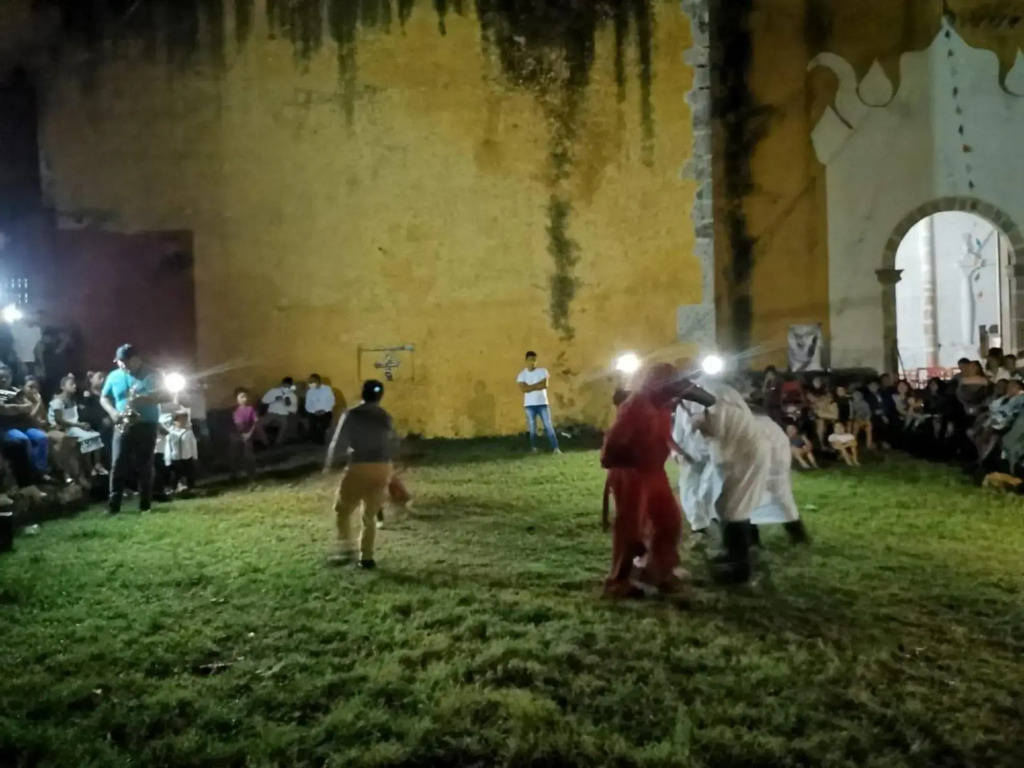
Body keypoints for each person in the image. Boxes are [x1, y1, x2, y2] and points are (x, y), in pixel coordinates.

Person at [602, 363, 688, 597]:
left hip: (653, 471)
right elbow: (614, 441)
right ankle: (618, 582)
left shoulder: (661, 406)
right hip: (632, 472)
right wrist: (621, 462)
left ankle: (657, 569)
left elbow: (662, 435)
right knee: (630, 529)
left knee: (669, 521)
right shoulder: (637, 405)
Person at [324, 379, 398, 569]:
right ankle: (367, 557)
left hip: (359, 466)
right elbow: (393, 441)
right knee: (370, 515)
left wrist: (329, 464)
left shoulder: (352, 414)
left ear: (362, 393)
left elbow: (338, 443)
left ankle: (346, 547)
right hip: (382, 467)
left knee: (342, 509)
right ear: (380, 396)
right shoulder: (385, 416)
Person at [100, 344, 167, 514]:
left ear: (136, 359)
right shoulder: (114, 376)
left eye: (126, 361)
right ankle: (113, 505)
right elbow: (104, 397)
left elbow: (164, 395)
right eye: (119, 361)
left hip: (146, 423)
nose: (122, 365)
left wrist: (144, 400)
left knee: (144, 464)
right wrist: (113, 412)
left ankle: (145, 504)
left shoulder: (152, 374)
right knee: (117, 463)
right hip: (123, 422)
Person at [48, 373, 106, 479]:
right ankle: (89, 468)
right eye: (71, 384)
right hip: (65, 427)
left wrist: (82, 424)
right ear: (63, 387)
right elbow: (59, 420)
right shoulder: (58, 401)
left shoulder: (73, 400)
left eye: (74, 384)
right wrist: (79, 425)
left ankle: (97, 464)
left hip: (74, 425)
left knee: (96, 435)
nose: (75, 386)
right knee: (87, 438)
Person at [0, 365, 49, 485]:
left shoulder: (16, 390)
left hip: (22, 426)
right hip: (5, 427)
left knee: (42, 437)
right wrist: (19, 408)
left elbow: (29, 407)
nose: (4, 380)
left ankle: (40, 471)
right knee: (23, 440)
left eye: (6, 377)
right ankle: (30, 473)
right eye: (1, 377)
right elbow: (3, 410)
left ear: (11, 377)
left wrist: (14, 408)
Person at [516, 351, 561, 454]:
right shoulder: (522, 375)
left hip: (542, 403)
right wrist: (537, 385)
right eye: (530, 360)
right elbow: (524, 389)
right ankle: (534, 448)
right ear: (526, 360)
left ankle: (555, 448)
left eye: (534, 360)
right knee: (532, 427)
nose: (532, 362)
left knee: (548, 426)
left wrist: (530, 386)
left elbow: (544, 385)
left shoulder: (543, 371)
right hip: (529, 405)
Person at [230, 388, 263, 485]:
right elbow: (232, 425)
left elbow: (255, 422)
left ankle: (251, 476)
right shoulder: (234, 411)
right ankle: (234, 475)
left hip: (247, 435)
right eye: (241, 397)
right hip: (236, 436)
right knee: (235, 456)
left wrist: (249, 433)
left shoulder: (250, 409)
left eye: (245, 397)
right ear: (236, 399)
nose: (244, 399)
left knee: (248, 456)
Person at [164, 409, 198, 492]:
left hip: (187, 456)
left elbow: (193, 444)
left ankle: (191, 487)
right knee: (176, 474)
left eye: (185, 419)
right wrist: (168, 459)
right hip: (176, 457)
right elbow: (168, 446)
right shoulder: (171, 433)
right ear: (176, 420)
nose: (183, 421)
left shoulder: (188, 432)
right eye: (181, 419)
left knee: (190, 473)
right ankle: (174, 488)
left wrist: (194, 455)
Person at [260, 377, 298, 446]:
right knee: (258, 424)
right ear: (282, 384)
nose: (285, 388)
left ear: (291, 386)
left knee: (285, 425)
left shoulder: (292, 395)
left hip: (283, 415)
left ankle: (278, 443)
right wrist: (275, 398)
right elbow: (263, 401)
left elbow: (294, 410)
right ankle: (265, 442)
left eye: (287, 386)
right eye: (284, 386)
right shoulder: (273, 391)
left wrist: (288, 403)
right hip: (271, 413)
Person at [304, 373, 336, 445]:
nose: (311, 383)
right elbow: (308, 405)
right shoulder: (310, 392)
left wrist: (324, 410)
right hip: (313, 412)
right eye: (310, 381)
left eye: (312, 381)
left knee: (323, 424)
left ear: (318, 381)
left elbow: (332, 401)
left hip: (325, 411)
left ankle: (321, 439)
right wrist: (314, 411)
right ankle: (314, 439)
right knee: (312, 423)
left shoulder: (327, 389)